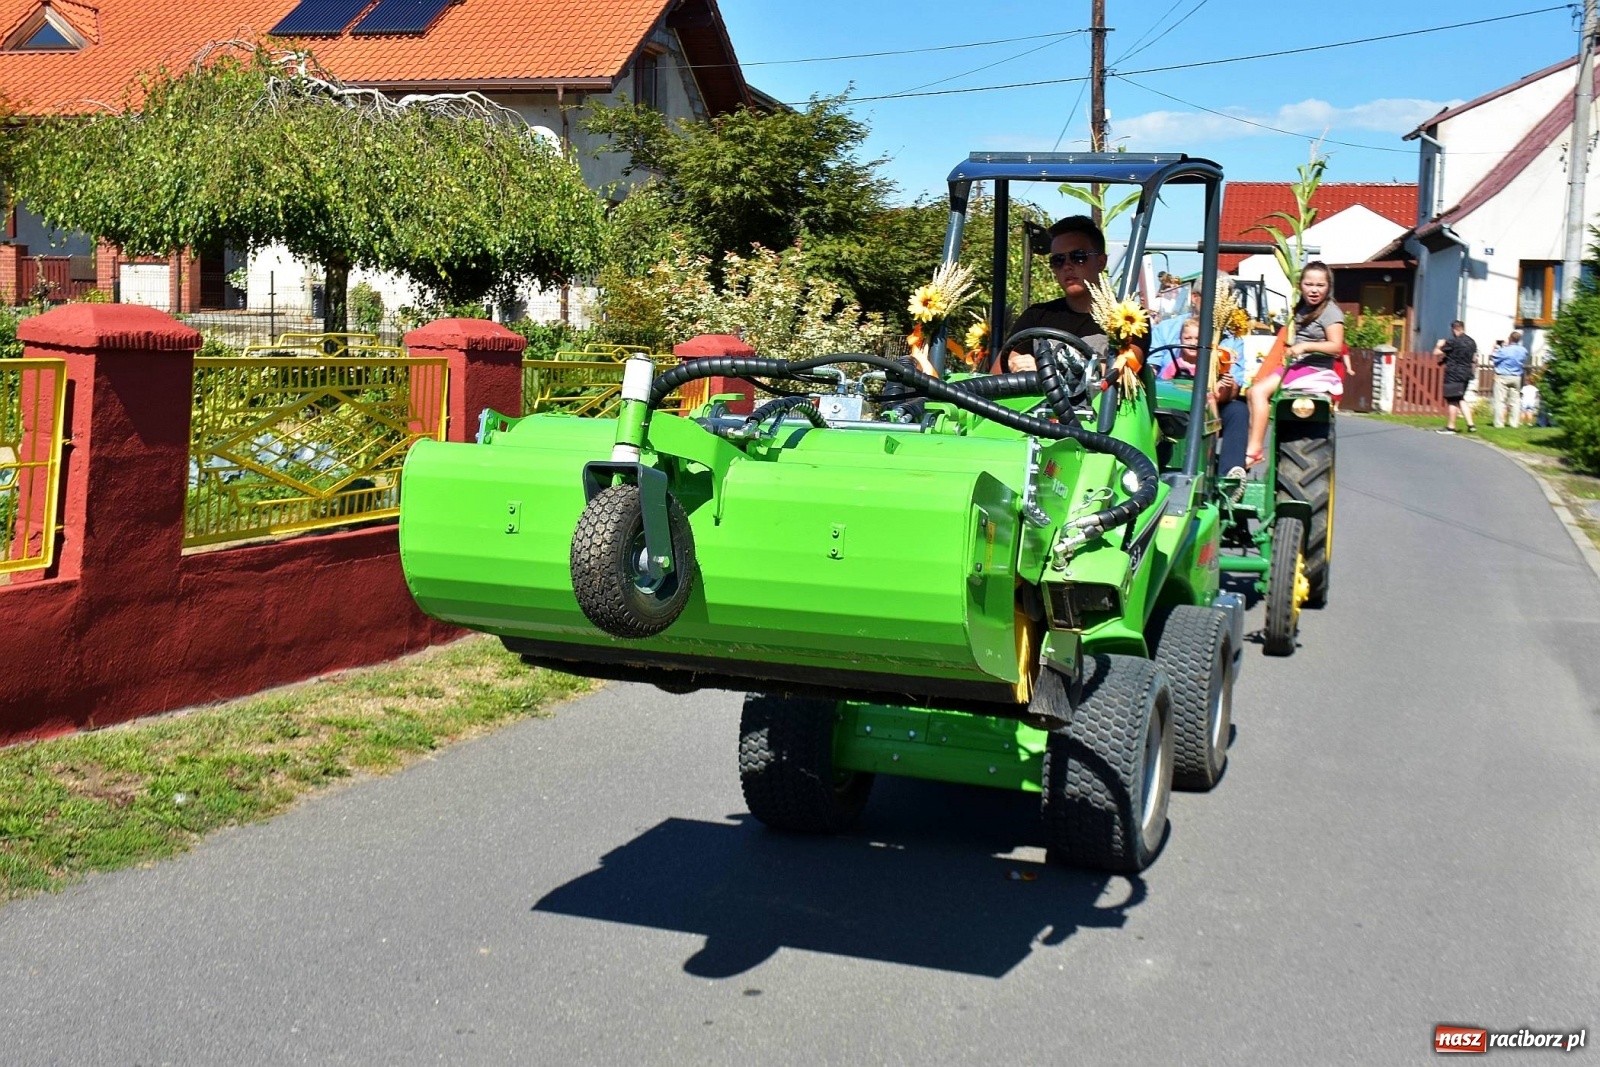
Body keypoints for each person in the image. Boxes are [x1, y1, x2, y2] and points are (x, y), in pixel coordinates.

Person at [1243, 261, 1347, 467]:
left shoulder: (1331, 312)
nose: (1314, 290)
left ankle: (1254, 449)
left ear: (1328, 287)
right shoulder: (1302, 308)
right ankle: (1252, 442)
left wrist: (1305, 346)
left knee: (1258, 393)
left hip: (1313, 369)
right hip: (1297, 366)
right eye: (1309, 284)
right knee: (1250, 392)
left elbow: (1336, 346)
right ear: (1300, 285)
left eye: (1320, 285)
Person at [999, 215, 1134, 372]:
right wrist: (1014, 365)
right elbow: (996, 374)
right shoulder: (1036, 317)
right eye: (1058, 260)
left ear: (1101, 262)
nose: (1067, 266)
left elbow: (1126, 370)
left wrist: (1048, 369)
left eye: (1078, 257)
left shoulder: (1128, 318)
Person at [1158, 316, 1249, 475]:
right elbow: (1164, 386)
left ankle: (1230, 471)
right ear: (1180, 339)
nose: (1193, 343)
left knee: (1238, 410)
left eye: (1197, 339)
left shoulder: (1212, 365)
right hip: (1179, 410)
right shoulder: (1174, 364)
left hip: (1209, 406)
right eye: (1188, 338)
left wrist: (1223, 385)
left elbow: (1217, 392)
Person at [1433, 320, 1478, 434]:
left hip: (1454, 373)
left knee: (1452, 400)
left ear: (1454, 330)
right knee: (1460, 398)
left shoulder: (1453, 342)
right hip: (1466, 373)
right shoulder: (1472, 342)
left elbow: (1436, 352)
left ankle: (1451, 427)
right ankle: (1471, 425)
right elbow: (1474, 358)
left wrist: (1439, 344)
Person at [1489, 330, 1528, 428]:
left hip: (1503, 376)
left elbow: (1493, 358)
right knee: (1515, 401)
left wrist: (1495, 348)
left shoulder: (1504, 350)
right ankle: (1514, 423)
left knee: (1500, 401)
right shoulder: (1523, 350)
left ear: (1510, 338)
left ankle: (1499, 423)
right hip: (1516, 377)